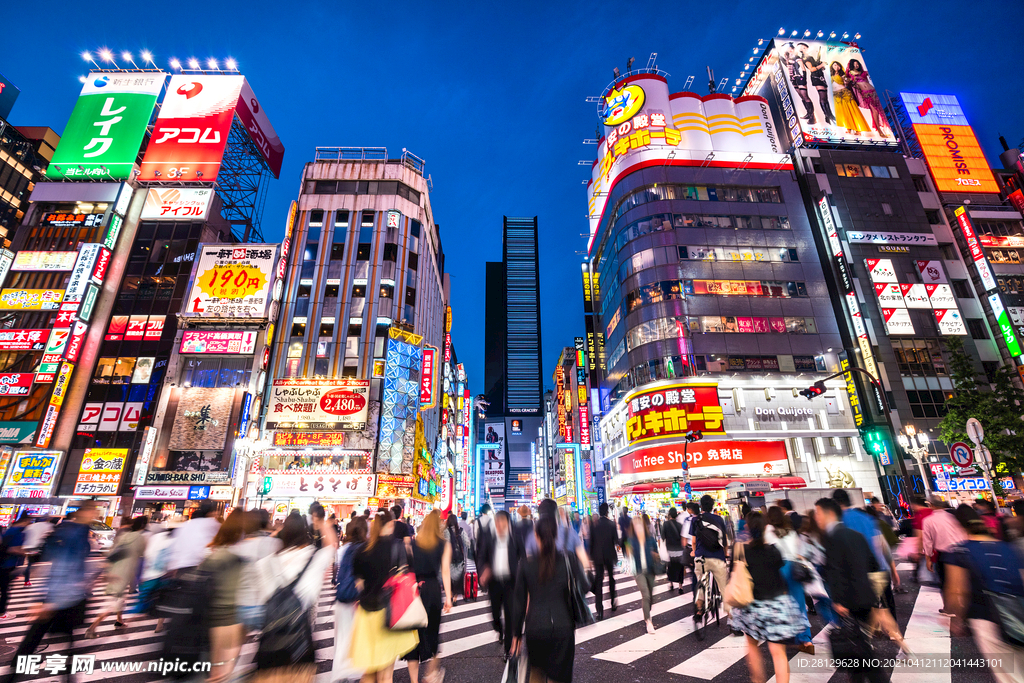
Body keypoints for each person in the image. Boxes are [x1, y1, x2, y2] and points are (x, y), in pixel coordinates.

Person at [4, 502, 99, 676]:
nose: (96, 514)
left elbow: (75, 565)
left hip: (69, 596)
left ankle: (17, 670)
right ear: (85, 512)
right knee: (39, 638)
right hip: (60, 596)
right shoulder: (74, 533)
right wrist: (41, 599)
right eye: (93, 510)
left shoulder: (80, 532)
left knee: (58, 639)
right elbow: (61, 566)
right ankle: (13, 673)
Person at [253, 511, 338, 683]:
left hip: (268, 645)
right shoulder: (313, 557)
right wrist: (320, 520)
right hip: (300, 646)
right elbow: (332, 544)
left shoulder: (264, 564)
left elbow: (257, 602)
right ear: (305, 533)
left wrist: (276, 534)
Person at [946, 505, 1024, 683]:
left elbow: (957, 590)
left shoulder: (960, 551)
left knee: (1007, 674)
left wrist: (956, 619)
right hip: (1020, 611)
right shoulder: (1009, 548)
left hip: (987, 617)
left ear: (959, 526)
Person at [730, 511, 809, 683]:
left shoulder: (740, 550)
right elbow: (779, 572)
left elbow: (733, 575)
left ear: (747, 528)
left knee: (752, 645)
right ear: (765, 528)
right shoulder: (773, 550)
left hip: (751, 606)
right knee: (778, 653)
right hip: (776, 604)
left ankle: (757, 680)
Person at [510, 516, 590, 683]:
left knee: (536, 674)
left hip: (535, 627)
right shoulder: (568, 559)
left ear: (536, 536)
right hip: (563, 626)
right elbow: (585, 586)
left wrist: (516, 634)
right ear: (555, 536)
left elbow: (518, 601)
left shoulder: (525, 564)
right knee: (560, 677)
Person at [815, 497, 886, 683]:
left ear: (829, 513)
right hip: (866, 597)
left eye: (818, 513)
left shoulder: (831, 538)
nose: (816, 518)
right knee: (857, 647)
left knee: (862, 651)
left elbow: (835, 572)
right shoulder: (856, 535)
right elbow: (873, 564)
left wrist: (838, 601)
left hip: (849, 601)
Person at [350, 511, 418, 683]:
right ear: (391, 525)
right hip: (389, 613)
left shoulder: (362, 550)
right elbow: (405, 577)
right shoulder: (397, 546)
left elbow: (359, 584)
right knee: (386, 674)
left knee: (370, 670)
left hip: (366, 614)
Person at [191, 509, 245, 683]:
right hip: (230, 616)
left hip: (207, 614)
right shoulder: (239, 555)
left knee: (213, 666)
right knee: (224, 669)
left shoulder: (210, 550)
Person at [401, 510, 453, 683]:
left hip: (415, 589)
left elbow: (407, 567)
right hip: (432, 590)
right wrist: (449, 597)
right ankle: (431, 674)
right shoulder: (443, 544)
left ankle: (414, 680)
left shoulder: (414, 543)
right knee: (433, 631)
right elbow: (445, 571)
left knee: (413, 634)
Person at [85, 515, 147, 639]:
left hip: (115, 570)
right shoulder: (141, 538)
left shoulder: (124, 536)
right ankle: (91, 628)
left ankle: (119, 621)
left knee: (119, 598)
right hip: (125, 572)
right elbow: (142, 553)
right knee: (113, 602)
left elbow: (112, 552)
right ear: (143, 526)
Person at [765, 506, 813, 653]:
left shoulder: (768, 530)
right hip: (794, 567)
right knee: (799, 604)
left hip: (778, 568)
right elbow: (799, 550)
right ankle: (806, 640)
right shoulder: (791, 530)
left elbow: (766, 552)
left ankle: (780, 636)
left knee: (777, 603)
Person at [478, 510, 521, 656]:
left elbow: (523, 558)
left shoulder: (515, 538)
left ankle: (508, 649)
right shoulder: (490, 538)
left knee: (510, 615)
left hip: (511, 582)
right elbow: (482, 557)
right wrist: (484, 570)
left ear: (508, 524)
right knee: (495, 614)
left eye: (503, 522)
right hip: (495, 583)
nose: (500, 526)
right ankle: (498, 629)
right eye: (497, 522)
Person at [235, 509, 283, 632]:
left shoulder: (238, 547)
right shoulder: (274, 544)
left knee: (235, 647)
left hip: (241, 604)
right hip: (265, 605)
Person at [333, 516, 368, 682]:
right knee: (358, 638)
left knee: (341, 640)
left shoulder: (343, 549)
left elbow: (337, 574)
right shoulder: (366, 549)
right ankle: (355, 674)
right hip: (358, 601)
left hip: (341, 599)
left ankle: (340, 674)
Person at [922, 495, 967, 615]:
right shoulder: (953, 516)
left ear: (931, 505)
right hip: (963, 550)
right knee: (962, 581)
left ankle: (948, 608)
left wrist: (928, 559)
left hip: (945, 554)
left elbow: (928, 542)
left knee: (945, 581)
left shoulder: (928, 520)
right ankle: (964, 606)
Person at [691, 495, 731, 620]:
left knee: (701, 582)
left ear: (701, 506)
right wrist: (725, 553)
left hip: (701, 558)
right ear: (712, 506)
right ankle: (732, 620)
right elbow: (724, 541)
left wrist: (694, 552)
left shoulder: (695, 520)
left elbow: (693, 541)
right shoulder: (719, 519)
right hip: (717, 557)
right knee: (724, 588)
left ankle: (699, 610)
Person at [627, 514, 659, 633]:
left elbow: (656, 551)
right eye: (635, 525)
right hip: (639, 571)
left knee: (651, 596)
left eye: (639, 524)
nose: (638, 527)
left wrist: (655, 555)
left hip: (650, 570)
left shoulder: (650, 539)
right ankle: (648, 621)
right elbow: (628, 555)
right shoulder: (631, 540)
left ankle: (647, 611)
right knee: (645, 595)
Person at [167, 500, 221, 572]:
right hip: (197, 566)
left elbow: (175, 546)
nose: (216, 514)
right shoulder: (212, 523)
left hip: (180, 566)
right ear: (211, 512)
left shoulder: (186, 525)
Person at [845, 59, 889, 136]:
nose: (856, 65)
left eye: (857, 64)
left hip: (873, 91)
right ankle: (879, 130)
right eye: (854, 64)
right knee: (874, 111)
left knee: (880, 110)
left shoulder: (864, 72)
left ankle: (885, 129)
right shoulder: (850, 73)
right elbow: (847, 78)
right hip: (865, 94)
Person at [590, 502, 619, 620]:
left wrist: (590, 558)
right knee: (611, 578)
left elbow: (591, 543)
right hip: (609, 555)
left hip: (597, 557)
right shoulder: (611, 524)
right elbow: (616, 541)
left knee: (598, 582)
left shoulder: (594, 525)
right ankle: (613, 602)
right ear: (607, 511)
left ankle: (599, 611)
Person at [828, 62, 871, 135]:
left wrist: (846, 81)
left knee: (852, 111)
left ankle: (858, 129)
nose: (836, 66)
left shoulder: (842, 74)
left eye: (838, 65)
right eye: (835, 65)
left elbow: (846, 83)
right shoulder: (830, 75)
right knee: (843, 112)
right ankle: (849, 127)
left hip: (845, 93)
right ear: (832, 66)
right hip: (836, 95)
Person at [797, 43, 835, 125]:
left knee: (825, 97)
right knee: (823, 96)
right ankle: (827, 116)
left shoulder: (810, 57)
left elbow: (816, 66)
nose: (805, 48)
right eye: (803, 48)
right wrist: (821, 65)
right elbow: (811, 69)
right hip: (816, 77)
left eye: (805, 47)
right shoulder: (806, 58)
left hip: (820, 76)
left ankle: (829, 115)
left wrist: (821, 65)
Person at [0, 513, 29, 619]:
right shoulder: (17, 532)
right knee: (5, 590)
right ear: (25, 521)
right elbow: (13, 549)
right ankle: (2, 613)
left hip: (3, 564)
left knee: (4, 589)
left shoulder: (8, 530)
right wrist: (26, 552)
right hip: (6, 565)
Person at [21, 516, 53, 587]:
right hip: (36, 547)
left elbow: (23, 534)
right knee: (36, 562)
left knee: (30, 563)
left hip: (26, 547)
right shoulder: (48, 525)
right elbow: (50, 535)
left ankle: (26, 579)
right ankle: (26, 575)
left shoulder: (30, 526)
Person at [444, 512, 469, 599]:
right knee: (458, 577)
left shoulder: (445, 531)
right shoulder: (461, 531)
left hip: (449, 558)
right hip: (460, 558)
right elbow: (467, 543)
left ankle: (451, 593)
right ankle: (456, 595)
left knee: (450, 576)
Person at [663, 507, 685, 594]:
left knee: (670, 567)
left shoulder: (665, 524)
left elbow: (663, 536)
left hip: (670, 550)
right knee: (680, 568)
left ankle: (671, 584)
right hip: (679, 550)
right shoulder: (680, 525)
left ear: (669, 514)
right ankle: (680, 586)